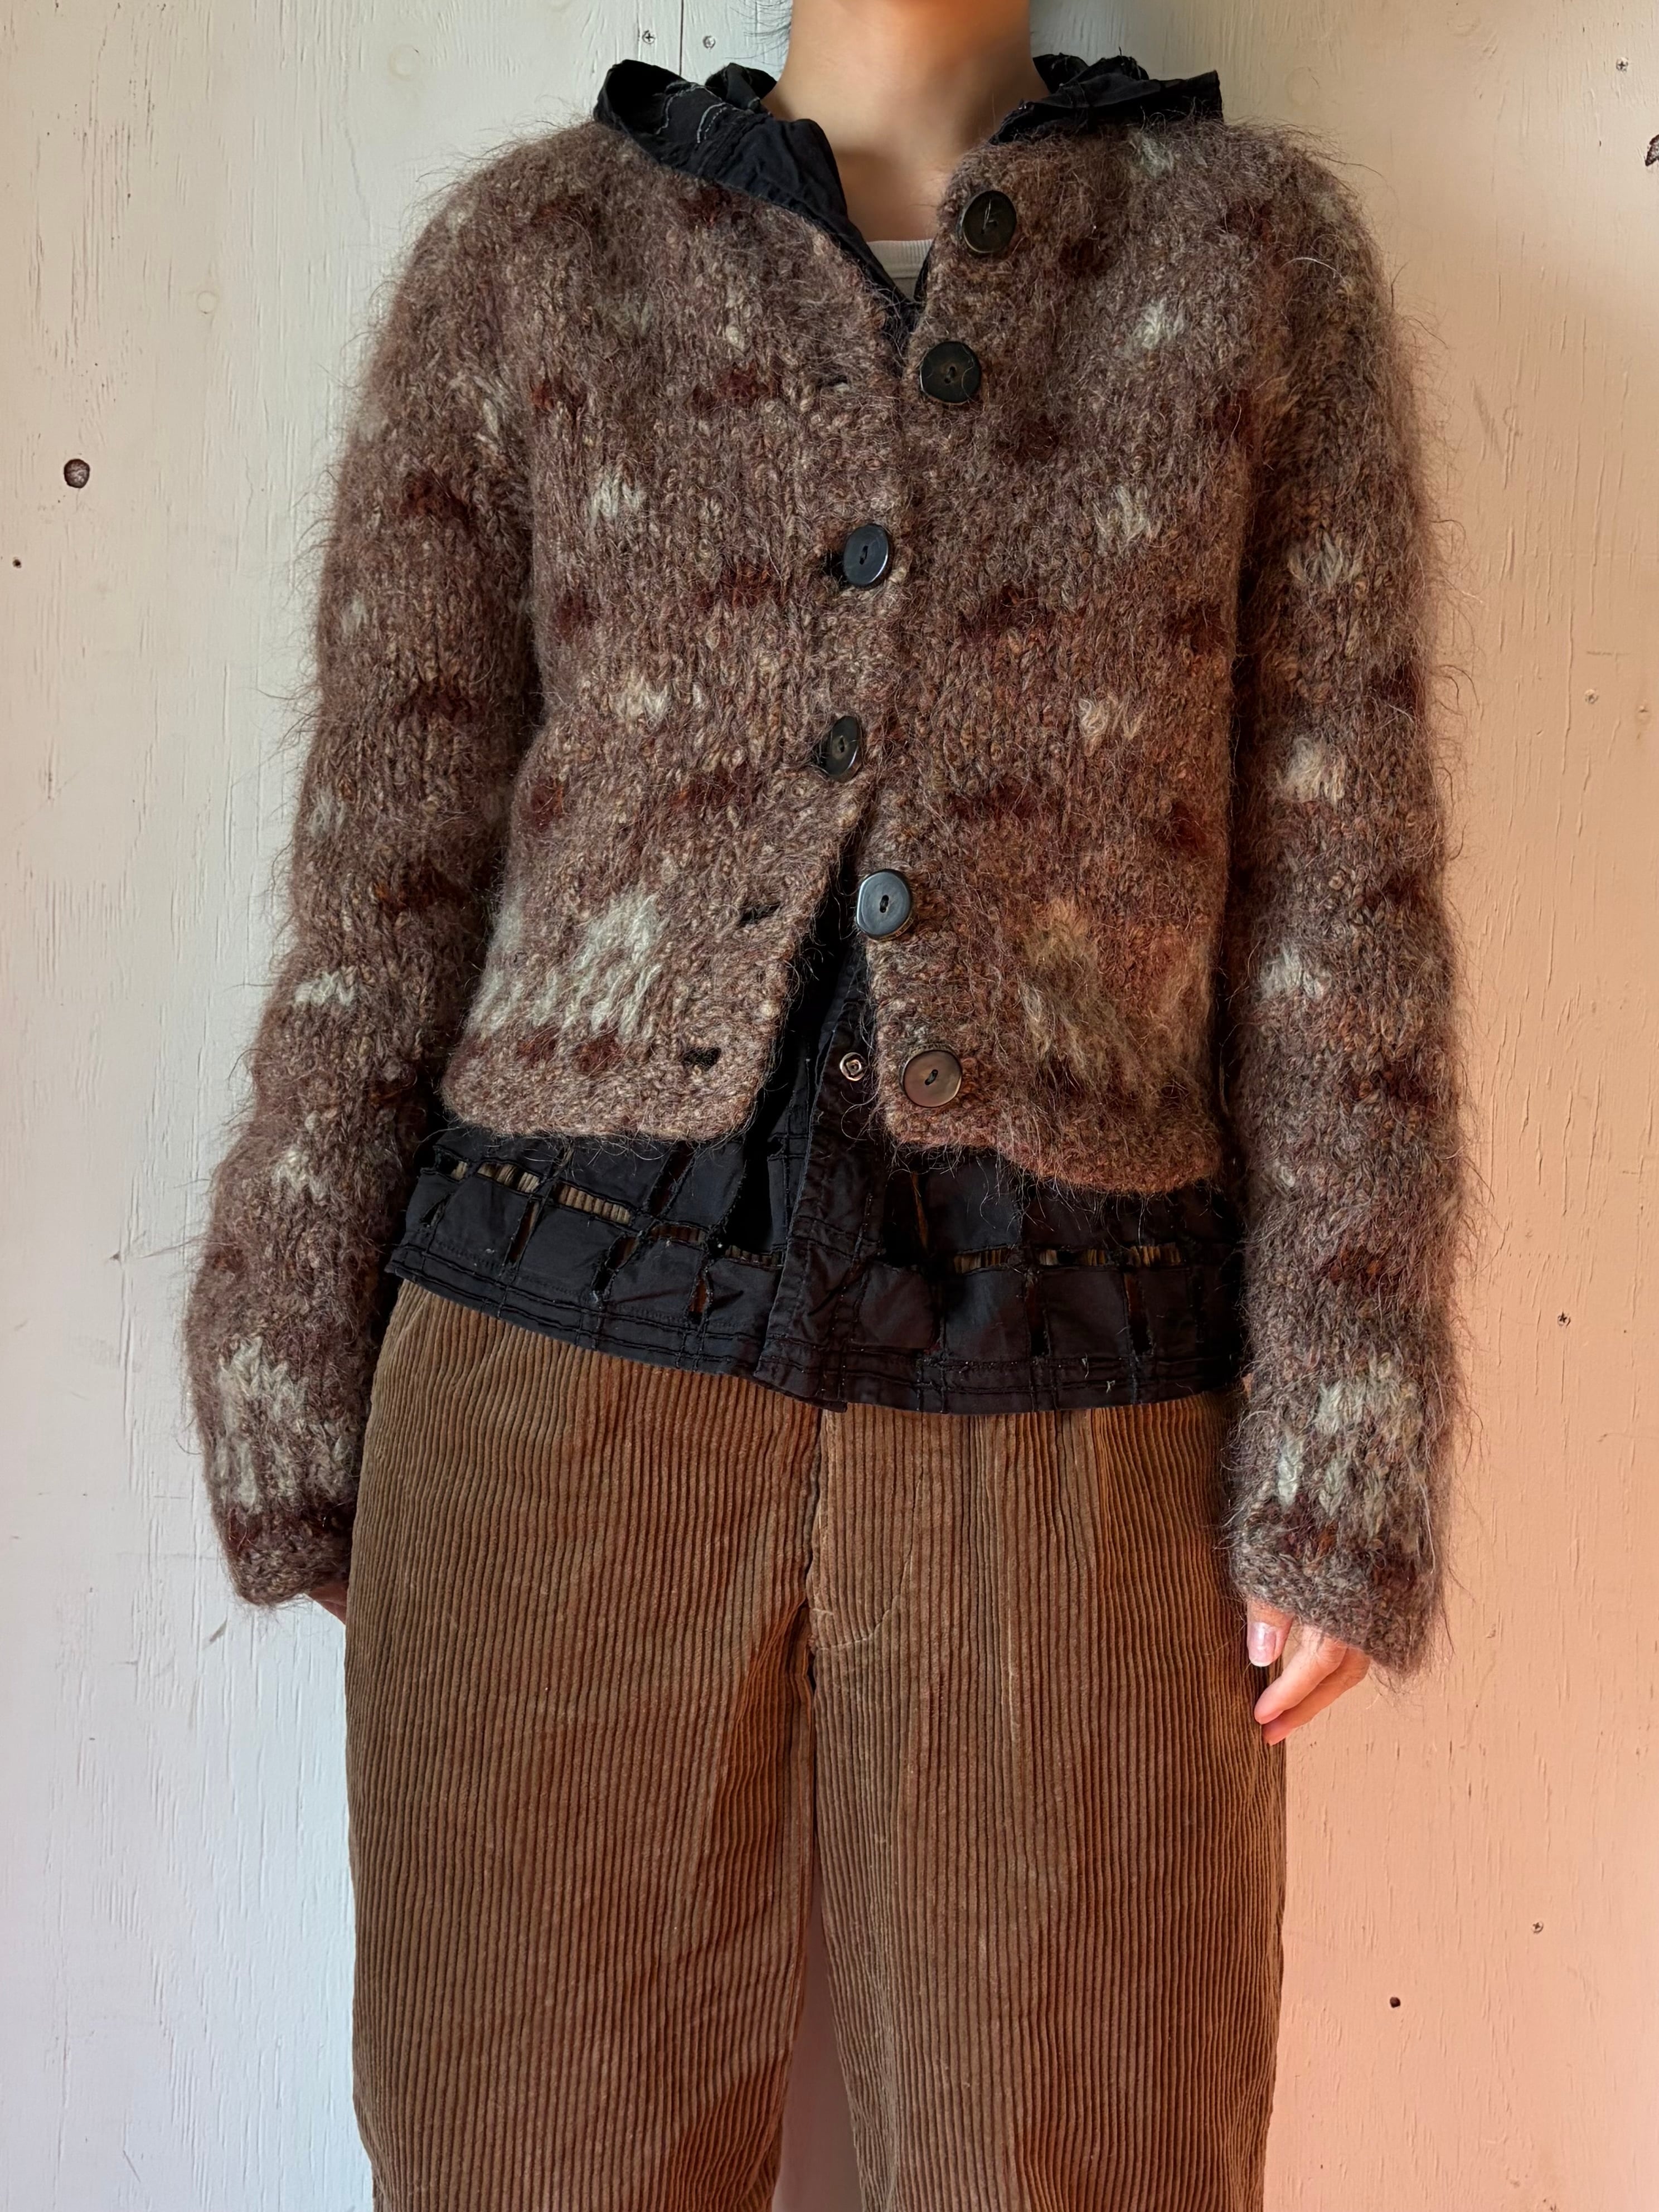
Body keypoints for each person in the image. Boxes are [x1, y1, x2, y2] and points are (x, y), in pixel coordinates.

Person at [181, 1, 1463, 2203]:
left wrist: (1350, 1423)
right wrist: (282, 1324)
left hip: (1082, 1410)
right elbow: (390, 854)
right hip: (547, 1373)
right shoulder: (538, 261)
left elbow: (1343, 890)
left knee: (1091, 2163)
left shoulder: (1249, 268)